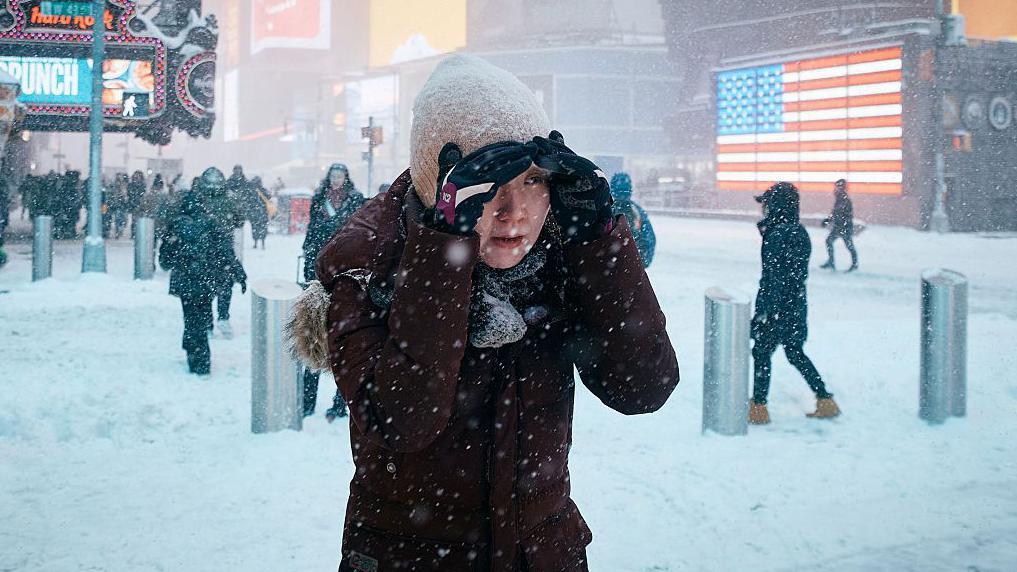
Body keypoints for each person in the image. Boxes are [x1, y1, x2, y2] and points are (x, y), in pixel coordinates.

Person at [292, 55, 679, 571]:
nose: (513, 210)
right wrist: (446, 245)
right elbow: (403, 421)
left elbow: (643, 387)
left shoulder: (558, 253)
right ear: (437, 185)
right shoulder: (366, 265)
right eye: (486, 184)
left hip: (541, 553)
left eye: (533, 180)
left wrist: (599, 240)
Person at [749, 182, 840, 425]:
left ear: (776, 206)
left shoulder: (776, 235)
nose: (764, 210)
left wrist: (764, 312)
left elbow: (772, 278)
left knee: (761, 353)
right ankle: (825, 399)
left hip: (776, 307)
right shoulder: (799, 231)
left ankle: (758, 407)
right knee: (794, 351)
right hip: (796, 303)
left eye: (767, 204)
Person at [299, 162, 366, 421]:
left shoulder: (356, 199)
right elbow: (312, 231)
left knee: (344, 343)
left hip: (346, 274)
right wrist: (308, 261)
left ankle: (340, 404)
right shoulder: (319, 199)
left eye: (341, 175)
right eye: (333, 175)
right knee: (313, 336)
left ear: (346, 178)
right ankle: (307, 401)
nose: (337, 179)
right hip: (319, 273)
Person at [159, 190, 246, 375]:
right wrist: (239, 273)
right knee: (203, 314)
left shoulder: (175, 226)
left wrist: (177, 255)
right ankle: (202, 357)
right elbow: (225, 253)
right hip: (206, 280)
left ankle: (193, 352)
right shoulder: (211, 224)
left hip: (184, 282)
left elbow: (165, 261)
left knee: (190, 318)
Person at [196, 167, 245, 337]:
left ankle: (209, 322)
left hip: (204, 249)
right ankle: (223, 317)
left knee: (206, 287)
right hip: (223, 249)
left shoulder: (198, 198)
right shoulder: (229, 198)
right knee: (225, 284)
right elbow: (240, 220)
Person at [609, 171, 656, 267]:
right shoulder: (637, 212)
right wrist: (640, 262)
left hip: (609, 266)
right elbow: (649, 240)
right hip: (631, 266)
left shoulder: (606, 209)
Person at [820, 178, 858, 272]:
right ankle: (831, 262)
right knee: (829, 241)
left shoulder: (844, 199)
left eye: (839, 187)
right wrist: (828, 220)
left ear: (843, 188)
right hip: (839, 226)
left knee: (849, 245)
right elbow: (835, 213)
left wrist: (839, 223)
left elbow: (843, 214)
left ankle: (854, 264)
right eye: (837, 187)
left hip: (844, 227)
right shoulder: (839, 198)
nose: (836, 189)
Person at [246, 176, 270, 249]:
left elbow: (248, 202)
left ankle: (256, 243)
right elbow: (269, 197)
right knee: (262, 228)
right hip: (262, 213)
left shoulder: (251, 191)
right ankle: (262, 243)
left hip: (255, 213)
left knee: (255, 228)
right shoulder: (262, 190)